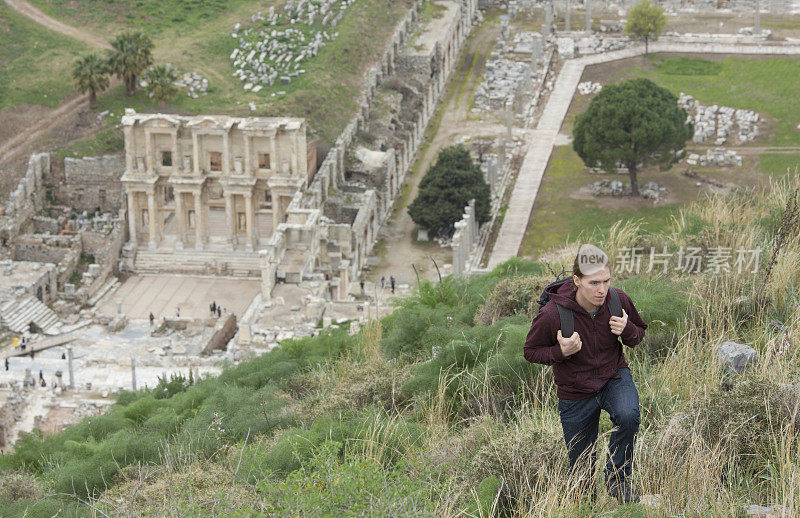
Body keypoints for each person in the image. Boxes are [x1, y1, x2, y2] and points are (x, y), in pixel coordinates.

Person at [523, 245, 647, 504]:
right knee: (581, 468)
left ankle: (617, 481)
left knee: (628, 416)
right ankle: (587, 503)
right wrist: (561, 351)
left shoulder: (617, 300)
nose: (601, 290)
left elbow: (638, 335)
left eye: (606, 281)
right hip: (574, 390)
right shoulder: (552, 314)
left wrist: (627, 329)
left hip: (613, 376)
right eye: (594, 283)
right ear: (577, 281)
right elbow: (531, 352)